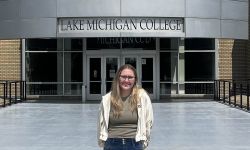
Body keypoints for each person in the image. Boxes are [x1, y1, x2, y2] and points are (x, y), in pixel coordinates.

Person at [97, 64, 153, 150]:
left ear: (135, 80)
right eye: (123, 77)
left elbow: (148, 121)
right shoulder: (107, 99)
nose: (126, 80)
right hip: (111, 144)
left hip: (135, 144)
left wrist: (145, 141)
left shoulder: (142, 97)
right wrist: (102, 142)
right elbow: (100, 123)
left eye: (130, 77)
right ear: (118, 78)